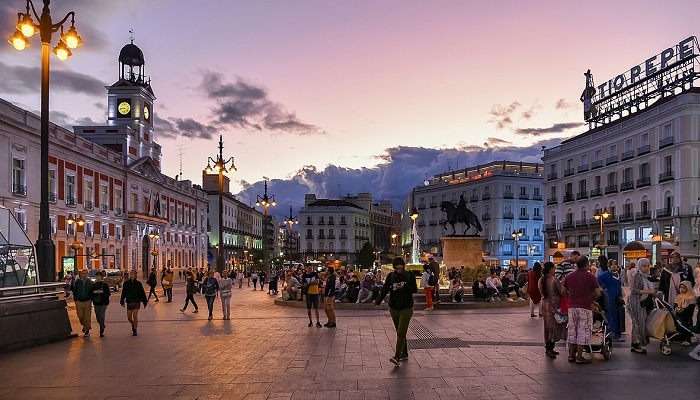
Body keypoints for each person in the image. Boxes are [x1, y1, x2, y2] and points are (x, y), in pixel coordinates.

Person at [375, 257, 418, 367]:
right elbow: (385, 288)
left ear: (403, 266)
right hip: (394, 307)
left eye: (400, 268)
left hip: (406, 307)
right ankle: (404, 352)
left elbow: (414, 289)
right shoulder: (391, 276)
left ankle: (397, 357)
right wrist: (378, 300)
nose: (399, 270)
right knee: (400, 332)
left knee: (400, 332)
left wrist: (405, 286)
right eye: (397, 269)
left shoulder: (410, 275)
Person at [562, 256, 602, 364]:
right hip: (585, 307)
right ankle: (579, 357)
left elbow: (563, 291)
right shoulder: (591, 277)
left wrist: (570, 297)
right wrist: (592, 298)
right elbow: (598, 293)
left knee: (572, 331)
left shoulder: (569, 276)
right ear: (586, 264)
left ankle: (571, 355)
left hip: (572, 307)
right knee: (582, 332)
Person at [627, 258, 656, 354]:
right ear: (640, 266)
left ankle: (636, 344)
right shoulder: (637, 276)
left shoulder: (645, 276)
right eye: (644, 266)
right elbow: (634, 290)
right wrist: (649, 291)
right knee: (638, 322)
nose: (646, 268)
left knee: (641, 322)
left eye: (648, 266)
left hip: (641, 302)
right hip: (636, 302)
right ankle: (636, 344)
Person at [538, 261, 566, 359]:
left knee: (547, 326)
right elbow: (561, 292)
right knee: (553, 326)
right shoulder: (554, 280)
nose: (555, 270)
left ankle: (548, 348)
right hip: (554, 306)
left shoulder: (541, 280)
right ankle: (550, 348)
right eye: (554, 268)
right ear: (550, 269)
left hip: (545, 305)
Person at [597, 257, 624, 341]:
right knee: (610, 315)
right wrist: (604, 288)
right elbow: (598, 279)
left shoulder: (617, 274)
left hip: (617, 297)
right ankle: (610, 333)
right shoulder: (606, 274)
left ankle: (617, 333)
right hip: (609, 297)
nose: (614, 266)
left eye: (615, 264)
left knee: (618, 314)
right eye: (612, 265)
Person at [120, 269, 148, 336]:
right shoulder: (126, 284)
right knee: (129, 317)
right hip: (129, 301)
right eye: (131, 273)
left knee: (135, 315)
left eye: (133, 273)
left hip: (136, 301)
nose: (131, 275)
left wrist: (145, 302)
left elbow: (142, 293)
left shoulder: (138, 284)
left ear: (135, 275)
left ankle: (135, 329)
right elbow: (123, 293)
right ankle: (133, 324)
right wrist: (122, 301)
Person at [72, 269, 94, 337]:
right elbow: (75, 291)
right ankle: (85, 325)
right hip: (79, 301)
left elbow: (92, 292)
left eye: (85, 274)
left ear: (87, 274)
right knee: (80, 315)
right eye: (82, 274)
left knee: (87, 317)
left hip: (87, 301)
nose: (83, 275)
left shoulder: (90, 283)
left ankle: (87, 329)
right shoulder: (78, 282)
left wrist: (91, 299)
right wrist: (76, 299)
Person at [90, 271, 111, 337]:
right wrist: (94, 293)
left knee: (101, 314)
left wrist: (102, 292)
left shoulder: (105, 285)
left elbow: (108, 293)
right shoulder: (94, 285)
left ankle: (101, 329)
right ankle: (102, 325)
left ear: (102, 277)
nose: (98, 277)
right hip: (96, 302)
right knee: (97, 316)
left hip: (104, 302)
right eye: (97, 276)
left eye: (99, 276)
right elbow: (91, 293)